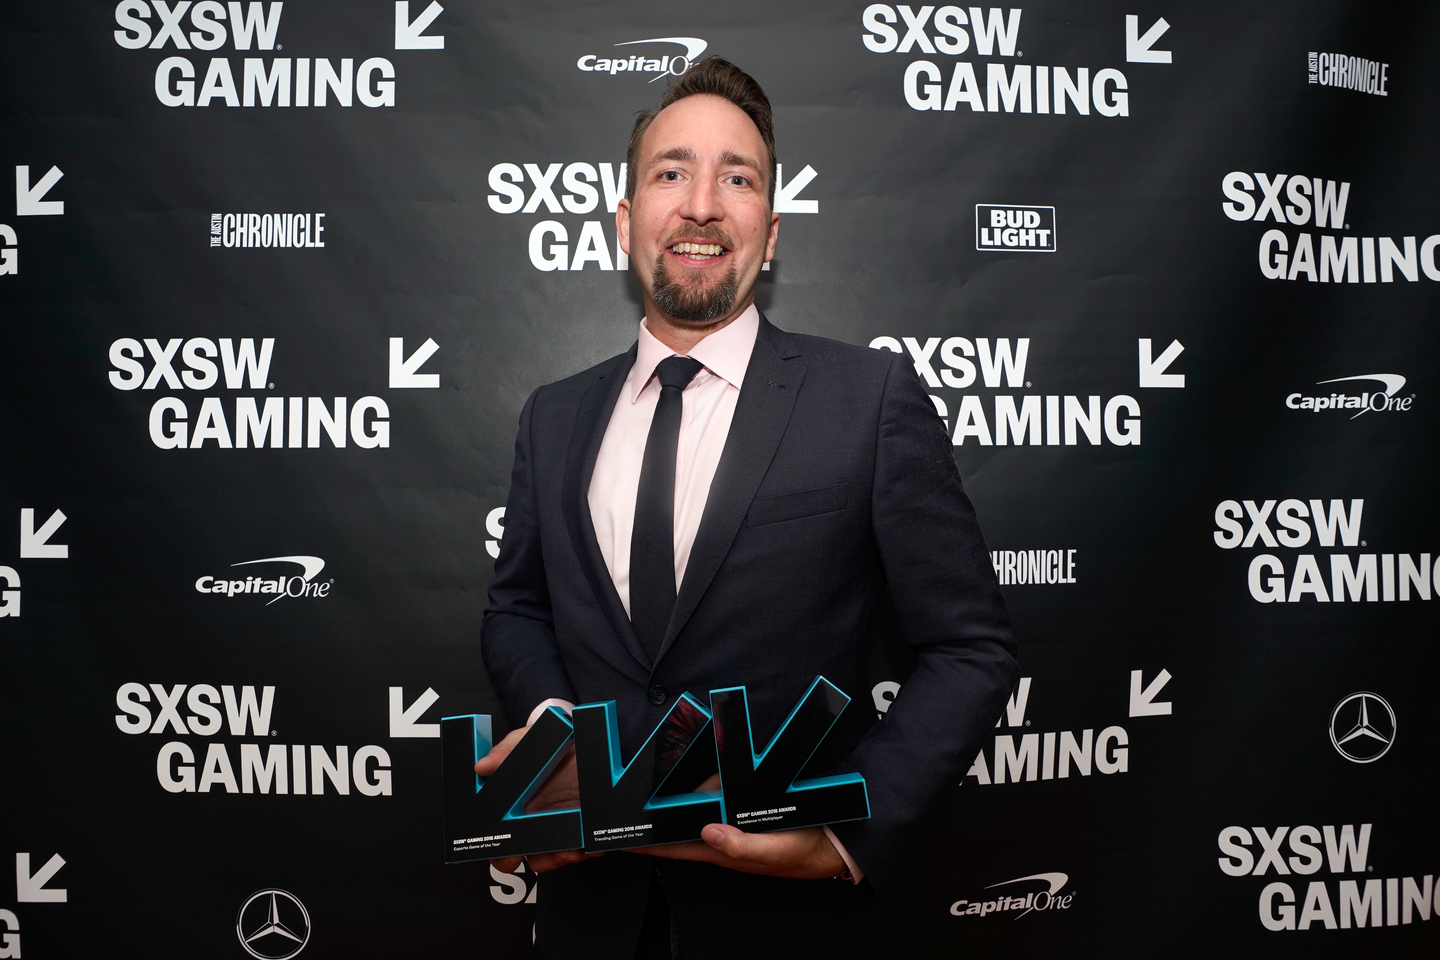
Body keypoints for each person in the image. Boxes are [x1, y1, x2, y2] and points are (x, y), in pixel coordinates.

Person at [479, 57, 1017, 960]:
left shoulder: (868, 399)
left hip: (790, 927)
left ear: (769, 234)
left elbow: (971, 647)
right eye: (671, 172)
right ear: (624, 223)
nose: (701, 204)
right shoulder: (554, 415)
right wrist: (555, 733)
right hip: (590, 916)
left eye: (737, 178)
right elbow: (518, 610)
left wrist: (848, 836)